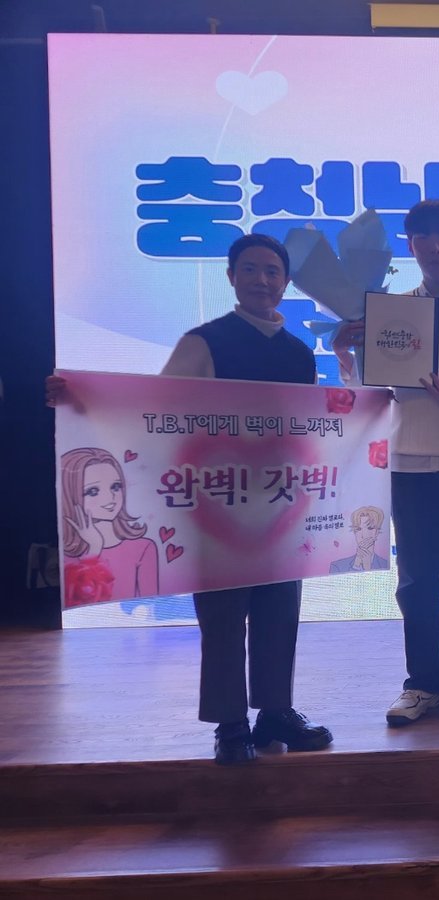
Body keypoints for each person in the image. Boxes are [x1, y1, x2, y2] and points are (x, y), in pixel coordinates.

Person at [50, 233, 333, 764]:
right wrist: (81, 397)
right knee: (223, 616)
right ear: (231, 277)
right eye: (250, 269)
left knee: (279, 611)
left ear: (285, 283)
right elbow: (152, 408)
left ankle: (276, 711)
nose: (262, 280)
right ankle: (231, 723)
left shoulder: (298, 353)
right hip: (215, 504)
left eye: (272, 271)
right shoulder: (204, 342)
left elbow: (312, 427)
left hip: (280, 504)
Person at [333, 199, 439, 727]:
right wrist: (345, 355)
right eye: (422, 238)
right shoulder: (389, 314)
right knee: (416, 580)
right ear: (411, 247)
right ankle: (423, 683)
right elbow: (370, 392)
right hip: (408, 459)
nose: (434, 247)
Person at [59, 446, 160, 602]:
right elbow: (78, 604)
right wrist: (94, 550)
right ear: (69, 496)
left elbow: (152, 605)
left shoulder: (143, 547)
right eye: (93, 491)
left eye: (116, 487)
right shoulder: (65, 555)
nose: (110, 497)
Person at [328, 506, 390, 574]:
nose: (363, 535)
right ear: (355, 532)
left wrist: (367, 568)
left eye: (370, 528)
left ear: (377, 532)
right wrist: (356, 565)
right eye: (358, 529)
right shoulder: (337, 566)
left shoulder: (386, 564)